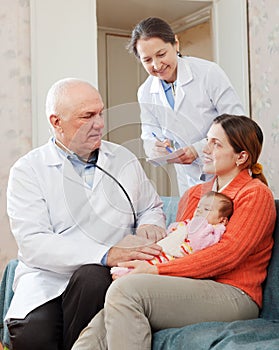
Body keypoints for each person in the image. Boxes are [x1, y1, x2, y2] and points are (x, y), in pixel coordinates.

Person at [72, 114, 276, 350]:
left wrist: (155, 270)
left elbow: (228, 253)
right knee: (101, 321)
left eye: (216, 144)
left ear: (242, 156)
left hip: (235, 294)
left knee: (126, 291)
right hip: (190, 286)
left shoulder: (255, 194)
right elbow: (180, 248)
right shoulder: (195, 194)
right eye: (207, 141)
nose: (206, 149)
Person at [5, 78, 167, 350]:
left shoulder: (123, 159)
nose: (100, 123)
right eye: (87, 116)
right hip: (47, 279)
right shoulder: (28, 170)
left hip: (101, 278)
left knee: (92, 277)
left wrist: (149, 226)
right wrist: (106, 252)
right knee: (34, 337)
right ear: (56, 122)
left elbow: (150, 207)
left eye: (101, 113)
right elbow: (33, 243)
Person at [128, 17, 245, 196]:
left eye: (161, 54)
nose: (157, 65)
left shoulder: (208, 73)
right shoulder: (145, 91)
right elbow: (149, 134)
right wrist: (156, 148)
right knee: (194, 221)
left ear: (175, 43)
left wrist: (198, 149)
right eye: (147, 60)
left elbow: (238, 122)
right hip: (189, 178)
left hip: (227, 169)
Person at [111, 191, 233, 275]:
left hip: (175, 257)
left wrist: (196, 225)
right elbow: (174, 229)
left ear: (222, 219)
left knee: (155, 260)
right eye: (199, 208)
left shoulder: (213, 230)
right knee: (147, 253)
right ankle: (123, 269)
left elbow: (199, 244)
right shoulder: (191, 222)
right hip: (165, 246)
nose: (199, 212)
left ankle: (127, 272)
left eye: (206, 209)